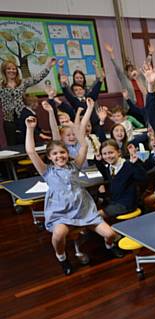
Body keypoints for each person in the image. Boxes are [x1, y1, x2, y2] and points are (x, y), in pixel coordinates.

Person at [24, 101, 123, 275]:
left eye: (62, 152)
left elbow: (83, 144)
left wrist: (86, 114)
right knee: (58, 235)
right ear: (49, 157)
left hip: (84, 210)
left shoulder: (74, 166)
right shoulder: (47, 171)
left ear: (67, 153)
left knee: (110, 234)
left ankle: (109, 246)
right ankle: (62, 258)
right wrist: (30, 129)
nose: (59, 156)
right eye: (55, 154)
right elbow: (31, 152)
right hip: (61, 213)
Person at [0, 57, 55, 146]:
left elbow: (37, 78)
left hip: (23, 118)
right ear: (4, 71)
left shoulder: (22, 83)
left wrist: (48, 66)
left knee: (27, 142)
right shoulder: (1, 85)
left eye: (14, 69)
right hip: (9, 121)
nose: (12, 71)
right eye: (9, 69)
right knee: (12, 145)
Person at [94, 140, 148, 219]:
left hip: (127, 204)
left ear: (119, 152)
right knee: (93, 212)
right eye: (104, 154)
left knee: (96, 216)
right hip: (115, 201)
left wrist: (135, 164)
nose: (108, 156)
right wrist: (98, 161)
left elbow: (144, 178)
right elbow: (105, 174)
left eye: (111, 153)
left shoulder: (128, 165)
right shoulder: (110, 167)